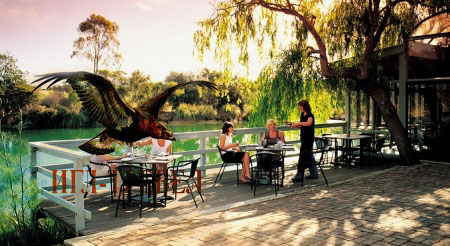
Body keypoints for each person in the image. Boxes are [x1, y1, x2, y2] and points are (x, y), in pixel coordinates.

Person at [289, 99, 318, 181]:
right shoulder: (302, 114)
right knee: (309, 156)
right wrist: (295, 125)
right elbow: (303, 125)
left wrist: (298, 123)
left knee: (303, 156)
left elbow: (308, 123)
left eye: (300, 106)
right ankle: (314, 173)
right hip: (303, 138)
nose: (299, 108)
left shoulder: (310, 115)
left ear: (304, 106)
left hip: (308, 139)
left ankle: (299, 175)